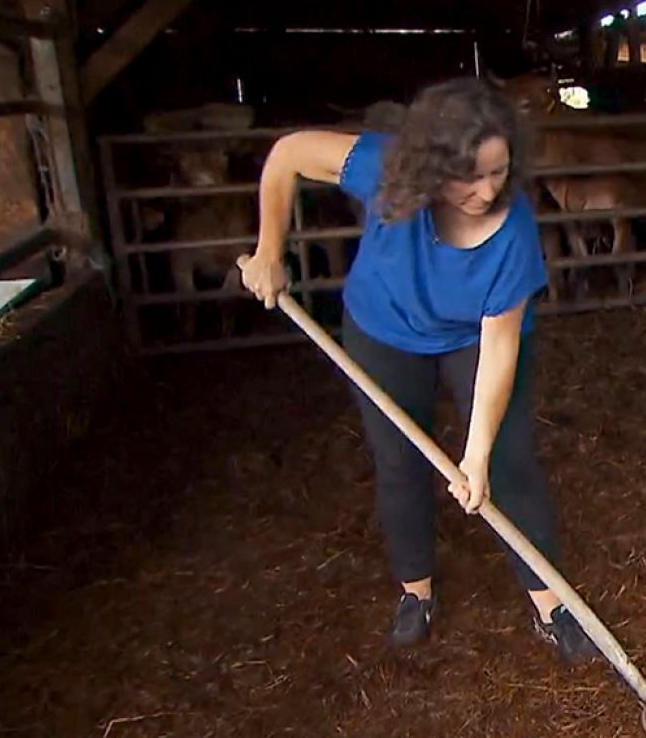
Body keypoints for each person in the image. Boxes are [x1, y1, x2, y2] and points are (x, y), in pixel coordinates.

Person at [238, 76, 595, 660]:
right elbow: (288, 155)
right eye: (468, 176)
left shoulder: (514, 233)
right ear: (429, 166)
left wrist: (475, 453)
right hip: (383, 328)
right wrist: (269, 252)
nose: (486, 191)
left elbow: (500, 346)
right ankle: (416, 593)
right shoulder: (383, 166)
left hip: (472, 335)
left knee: (508, 460)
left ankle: (551, 604)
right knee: (400, 458)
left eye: (499, 172)